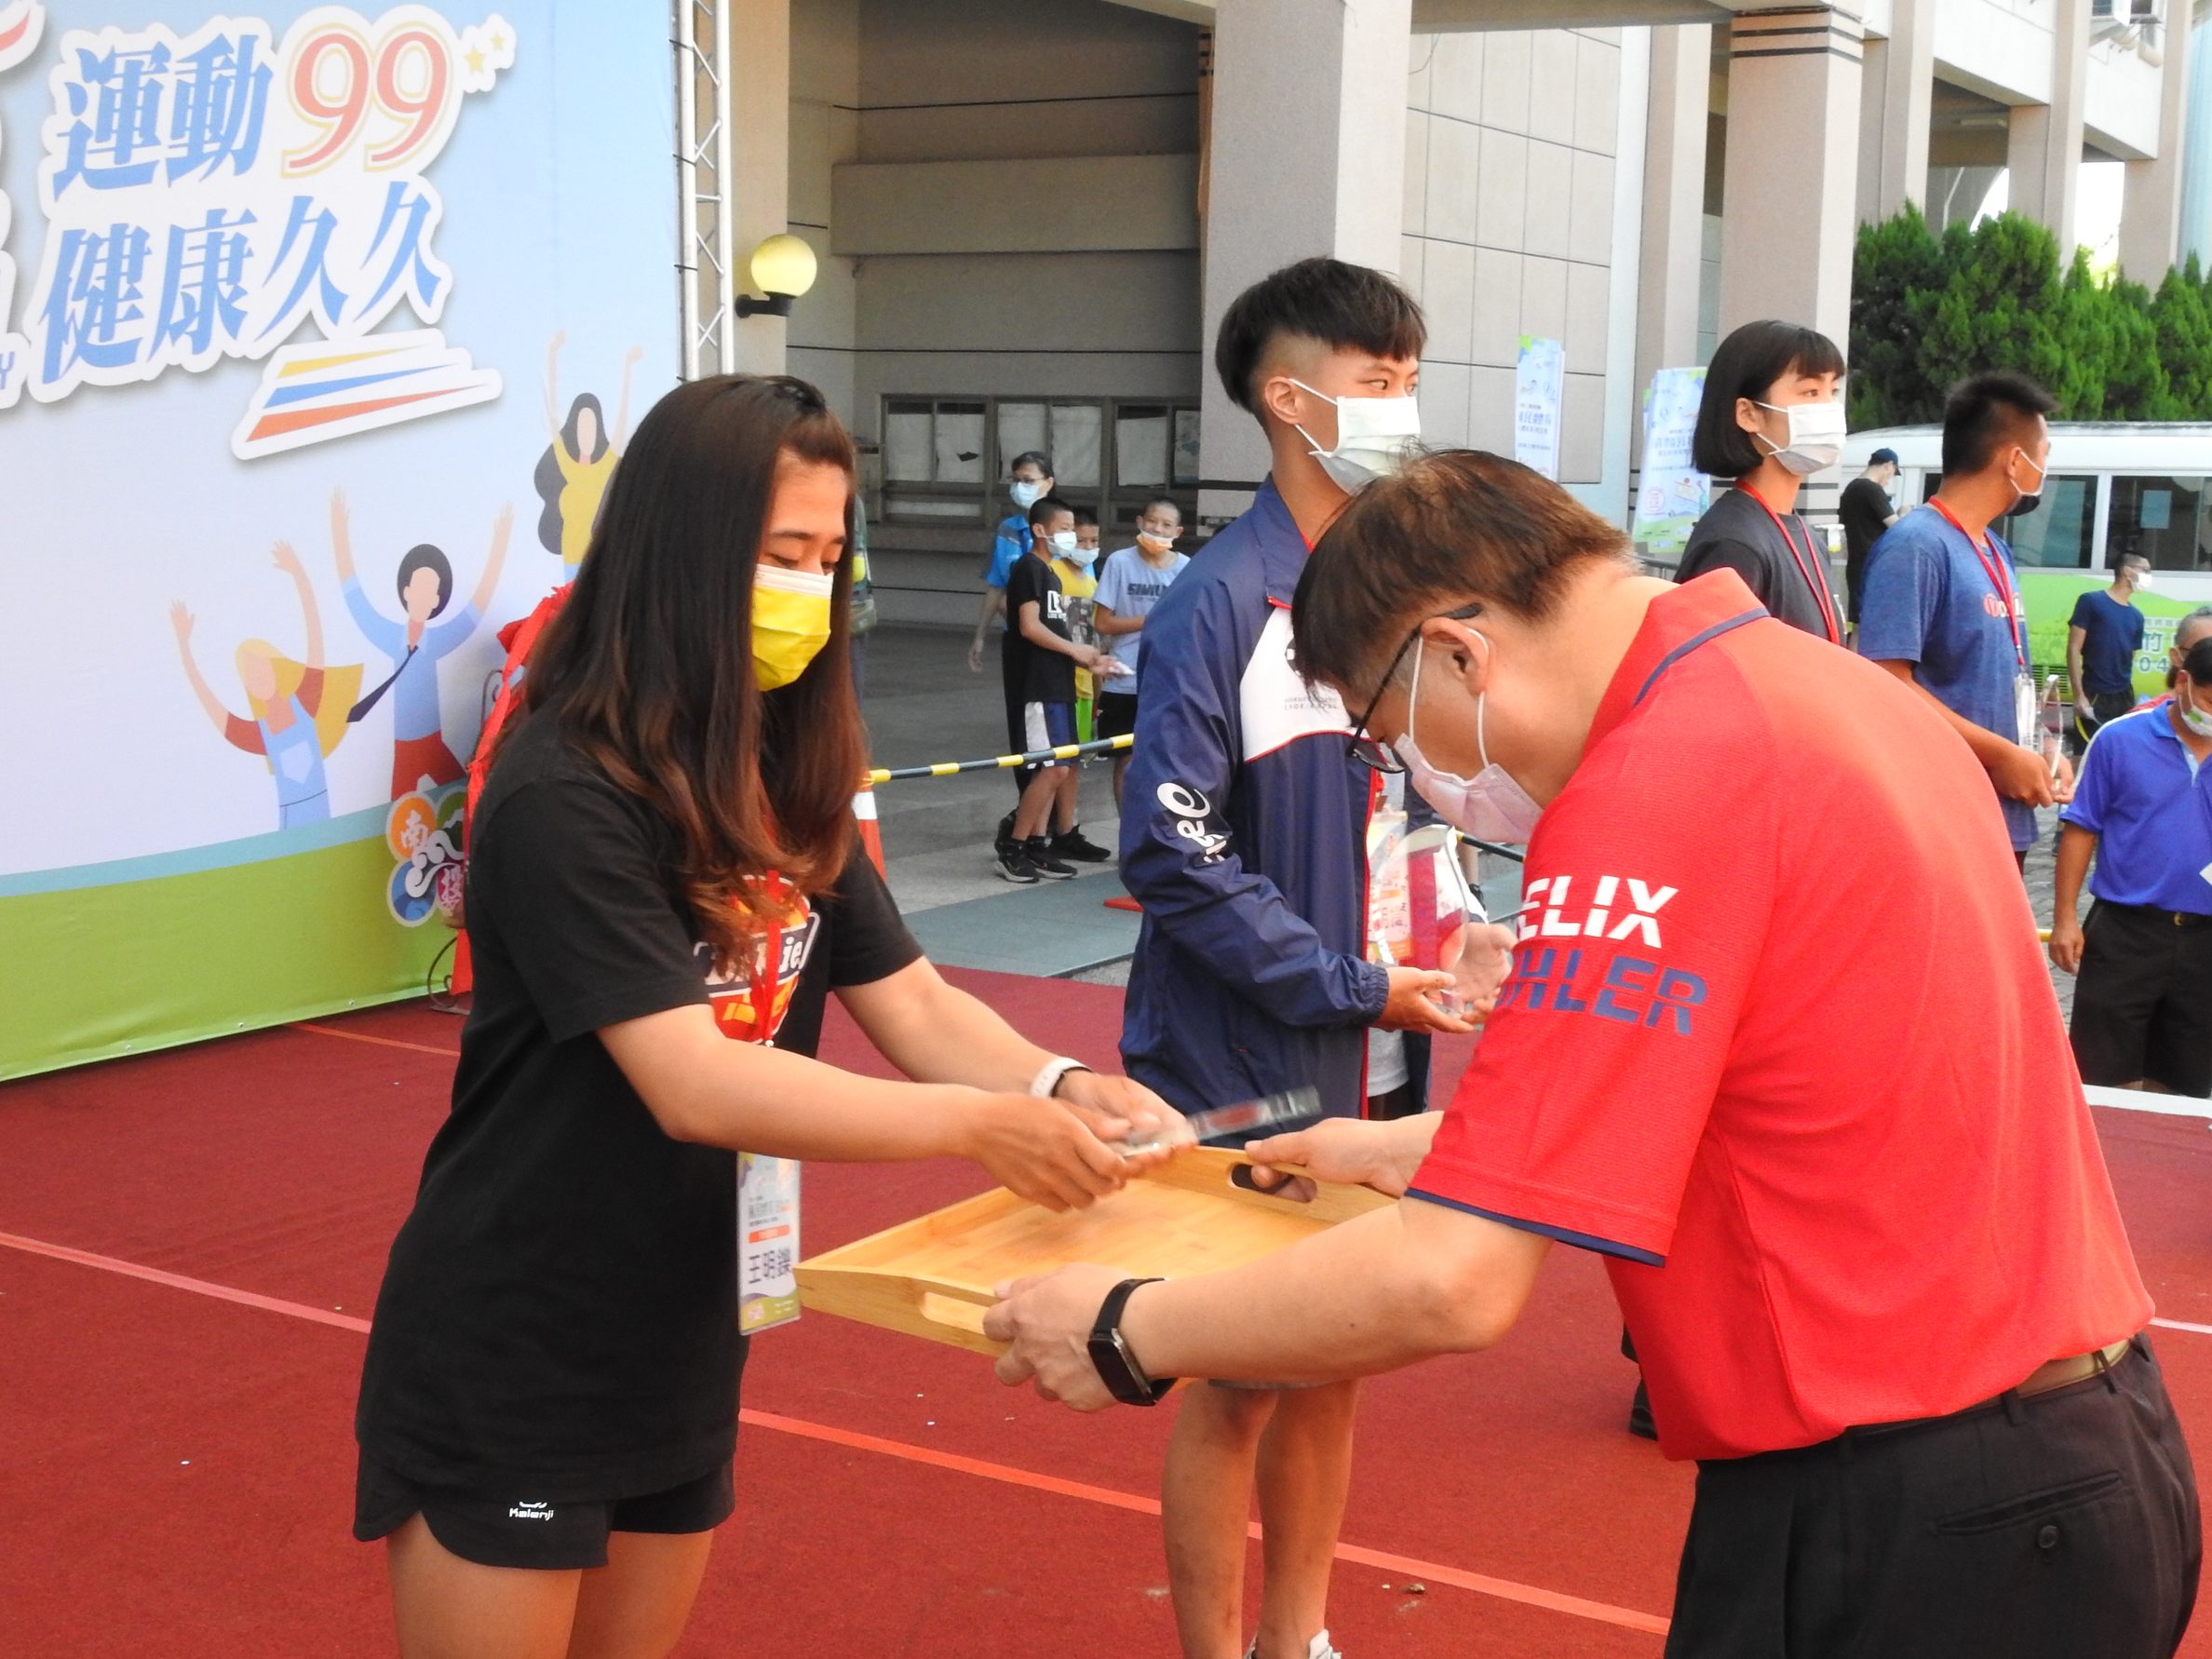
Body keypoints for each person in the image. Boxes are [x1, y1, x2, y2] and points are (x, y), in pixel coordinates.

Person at [990, 448, 2200, 1659]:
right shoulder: (1818, 688)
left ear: (1457, 654)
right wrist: (1414, 1144)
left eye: (1383, 731)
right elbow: (1760, 1078)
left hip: (1911, 1509)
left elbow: (1451, 1281)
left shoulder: (1648, 784)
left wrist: (1127, 1329)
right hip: (2080, 1450)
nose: (1413, 773)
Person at [352, 373, 1178, 1659]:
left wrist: (1061, 1083)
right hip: (520, 1333)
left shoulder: (790, 765)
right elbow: (693, 1078)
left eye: (831, 554)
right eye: (782, 552)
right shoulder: (566, 784)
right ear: (683, 552)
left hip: (688, 1326)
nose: (813, 584)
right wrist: (973, 1126)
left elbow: (905, 992)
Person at [1116, 257, 1466, 1659]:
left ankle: (1300, 1636)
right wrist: (1346, 981)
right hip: (1251, 1055)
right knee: (1243, 1375)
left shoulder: (1384, 590)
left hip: (1374, 1039)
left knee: (1336, 1360)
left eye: (1404, 378)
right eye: (1376, 381)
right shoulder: (1223, 600)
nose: (1400, 405)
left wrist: (1440, 929)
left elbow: (1406, 808)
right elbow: (1173, 849)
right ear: (1289, 396)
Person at [1859, 371, 2073, 871]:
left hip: (2003, 814)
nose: (2045, 467)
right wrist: (1999, 756)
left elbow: (1994, 674)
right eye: (2044, 453)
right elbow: (1885, 683)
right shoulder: (1917, 546)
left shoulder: (1994, 549)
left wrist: (2038, 751)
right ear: (2015, 459)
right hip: (1945, 818)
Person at [2049, 636, 2212, 1098]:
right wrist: (2064, 918)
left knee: (2185, 1080)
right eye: (2210, 701)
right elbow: (2082, 827)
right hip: (2126, 933)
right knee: (2102, 1075)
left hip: (2206, 943)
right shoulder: (2121, 739)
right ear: (2182, 681)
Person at [1671, 319, 1847, 642]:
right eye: (1810, 391)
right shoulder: (1732, 543)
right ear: (1749, 414)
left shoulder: (1806, 535)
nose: (1829, 408)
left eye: (1832, 391)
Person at [333, 489, 512, 799]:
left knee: (467, 800)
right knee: (397, 823)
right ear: (405, 591)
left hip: (434, 742)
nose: (425, 594)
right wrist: (339, 536)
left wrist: (499, 547)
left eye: (433, 590)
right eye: (420, 585)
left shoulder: (437, 640)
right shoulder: (390, 637)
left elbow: (476, 607)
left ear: (437, 601)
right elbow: (356, 601)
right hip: (404, 748)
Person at [169, 540, 357, 830]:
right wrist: (184, 647)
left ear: (274, 666)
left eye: (261, 667)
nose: (258, 677)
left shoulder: (305, 703)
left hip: (322, 814)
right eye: (250, 674)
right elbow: (215, 709)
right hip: (291, 822)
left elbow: (315, 640)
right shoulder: (258, 734)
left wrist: (300, 577)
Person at [1001, 496, 1106, 883]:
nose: (1071, 537)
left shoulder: (1052, 575)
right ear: (1040, 530)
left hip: (1058, 683)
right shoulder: (1028, 568)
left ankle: (1037, 846)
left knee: (1061, 769)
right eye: (1064, 529)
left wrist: (1089, 659)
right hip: (1036, 686)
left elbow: (1056, 632)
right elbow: (1029, 627)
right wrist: (1073, 649)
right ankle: (1013, 846)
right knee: (1049, 769)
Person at [970, 450, 1056, 826]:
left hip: (1055, 643)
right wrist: (979, 636)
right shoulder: (1007, 529)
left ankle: (1053, 820)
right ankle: (1028, 808)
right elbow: (996, 587)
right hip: (1018, 642)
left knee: (1055, 734)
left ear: (1048, 483)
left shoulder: (1062, 528)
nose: (1020, 487)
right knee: (1021, 729)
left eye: (1029, 480)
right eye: (1016, 479)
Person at [1093, 496, 1189, 805]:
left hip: (1169, 680)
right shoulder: (1119, 562)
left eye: (1166, 524)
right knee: (1127, 760)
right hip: (1124, 678)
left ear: (1178, 532)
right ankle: (1128, 836)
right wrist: (1150, 621)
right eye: (1151, 521)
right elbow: (1103, 623)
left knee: (1168, 764)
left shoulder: (1187, 568)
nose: (1157, 529)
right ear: (1139, 522)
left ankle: (1160, 833)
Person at [535, 333, 642, 573]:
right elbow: (550, 409)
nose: (586, 432)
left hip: (601, 564)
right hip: (571, 560)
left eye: (591, 426)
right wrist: (551, 355)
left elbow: (623, 415)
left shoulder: (606, 463)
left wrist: (628, 368)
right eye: (581, 426)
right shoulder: (567, 464)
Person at [2068, 554, 2151, 754]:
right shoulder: (2091, 602)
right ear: (2127, 571)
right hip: (2095, 694)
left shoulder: (2136, 616)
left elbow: (2131, 655)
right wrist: (2079, 695)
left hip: (2123, 695)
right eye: (2145, 570)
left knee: (2120, 754)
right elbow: (2073, 649)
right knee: (2086, 754)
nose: (2148, 576)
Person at [1054, 505, 1108, 744]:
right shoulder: (1050, 573)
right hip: (1057, 684)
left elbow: (1094, 638)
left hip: (1085, 686)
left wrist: (1098, 692)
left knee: (1076, 756)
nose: (1087, 547)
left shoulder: (1092, 584)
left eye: (1093, 541)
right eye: (1080, 540)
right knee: (1055, 759)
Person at [1839, 445, 1900, 634]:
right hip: (1872, 565)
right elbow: (1897, 527)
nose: (1889, 480)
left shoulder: (1851, 488)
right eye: (1891, 473)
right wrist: (1905, 513)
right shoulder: (1871, 489)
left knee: (1859, 625)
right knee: (1867, 627)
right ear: (1888, 465)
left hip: (1857, 563)